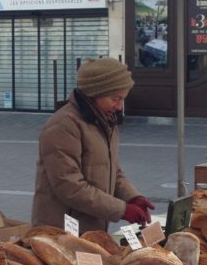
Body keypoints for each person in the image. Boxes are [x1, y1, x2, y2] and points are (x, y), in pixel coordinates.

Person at [31, 57, 154, 233]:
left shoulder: (105, 121)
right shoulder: (63, 125)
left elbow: (112, 169)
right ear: (95, 93)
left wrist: (132, 197)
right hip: (61, 229)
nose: (119, 106)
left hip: (91, 227)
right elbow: (69, 186)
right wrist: (122, 210)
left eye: (123, 99)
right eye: (115, 98)